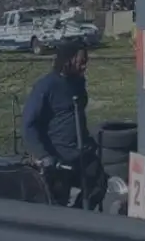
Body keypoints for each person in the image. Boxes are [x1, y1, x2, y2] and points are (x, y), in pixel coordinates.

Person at [22, 42, 103, 208]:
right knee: (59, 200)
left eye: (86, 61)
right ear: (68, 60)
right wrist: (43, 156)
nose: (84, 65)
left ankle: (80, 215)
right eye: (81, 61)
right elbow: (29, 124)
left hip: (80, 153)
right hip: (57, 157)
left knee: (99, 184)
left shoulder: (78, 84)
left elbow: (76, 117)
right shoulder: (46, 86)